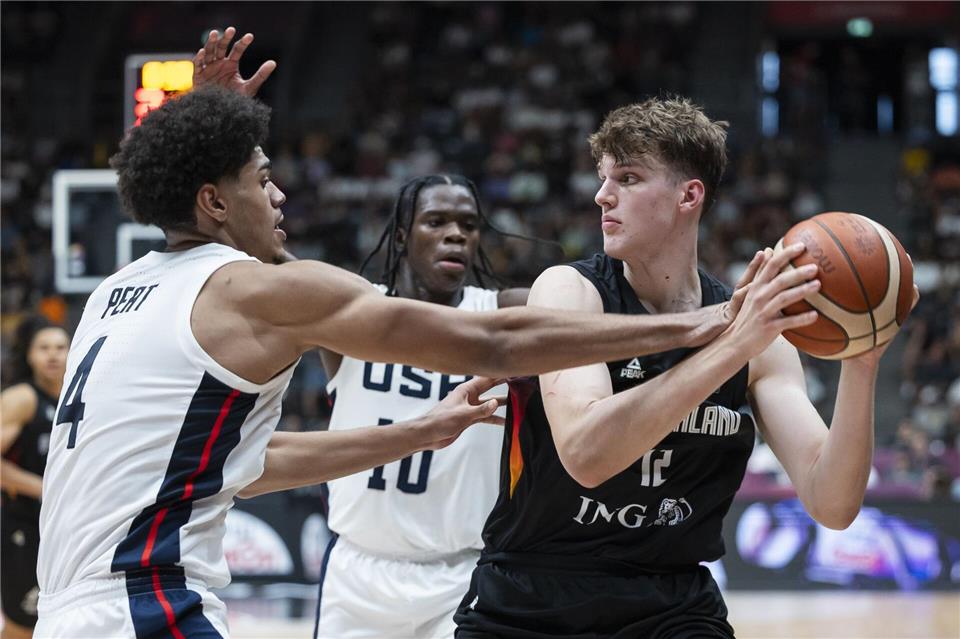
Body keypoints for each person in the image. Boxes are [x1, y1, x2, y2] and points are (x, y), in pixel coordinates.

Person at [34, 45, 796, 638]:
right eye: (260, 178)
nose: (280, 194)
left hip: (71, 608)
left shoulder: (115, 294)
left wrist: (420, 431)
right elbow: (495, 344)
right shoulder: (255, 290)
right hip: (151, 602)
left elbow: (243, 464)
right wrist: (705, 326)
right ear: (212, 200)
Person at [454, 97, 919, 638]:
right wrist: (730, 344)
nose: (602, 196)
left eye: (627, 178)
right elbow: (587, 454)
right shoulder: (568, 291)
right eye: (604, 178)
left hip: (670, 604)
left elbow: (833, 503)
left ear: (688, 195)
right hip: (532, 597)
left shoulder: (762, 339)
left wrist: (862, 361)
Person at [314, 174, 528, 639]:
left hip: (464, 575)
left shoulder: (502, 317)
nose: (456, 233)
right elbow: (273, 270)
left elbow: (590, 303)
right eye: (436, 221)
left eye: (468, 225)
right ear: (400, 235)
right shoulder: (352, 313)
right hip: (359, 575)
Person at [1, 316, 70, 639]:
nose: (53, 355)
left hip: (68, 530)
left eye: (60, 347)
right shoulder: (22, 399)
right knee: (23, 625)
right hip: (24, 526)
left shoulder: (78, 397)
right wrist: (44, 488)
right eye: (44, 348)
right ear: (29, 355)